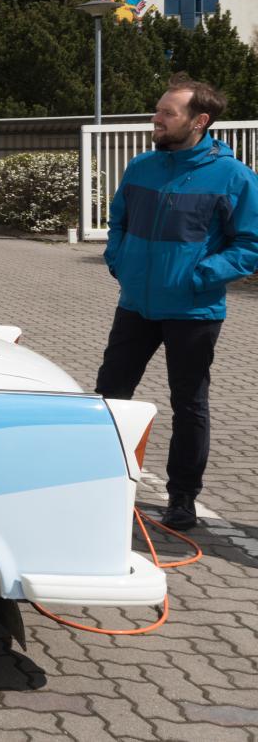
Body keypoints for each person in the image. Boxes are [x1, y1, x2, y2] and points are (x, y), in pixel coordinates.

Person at [96, 74, 258, 531]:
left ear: (199, 121)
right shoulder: (142, 166)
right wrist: (119, 260)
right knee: (110, 396)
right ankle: (102, 481)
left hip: (193, 312)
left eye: (168, 113)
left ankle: (182, 498)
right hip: (135, 305)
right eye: (158, 110)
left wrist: (199, 276)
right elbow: (119, 221)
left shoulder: (233, 177)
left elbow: (249, 244)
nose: (157, 118)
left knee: (188, 404)